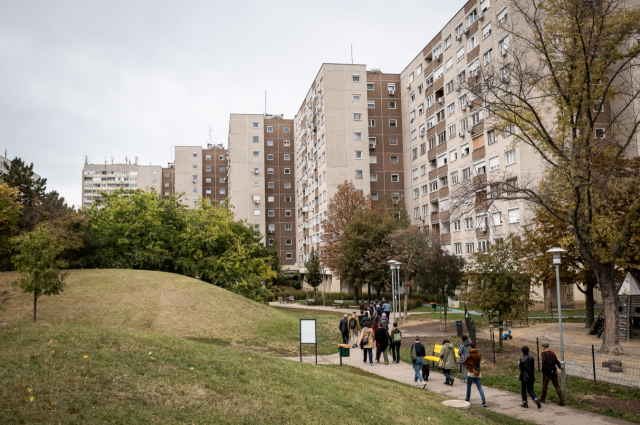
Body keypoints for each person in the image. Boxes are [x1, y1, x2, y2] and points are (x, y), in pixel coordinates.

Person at [463, 342, 487, 408]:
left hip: (471, 373)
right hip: (477, 373)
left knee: (468, 386)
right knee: (479, 387)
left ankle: (467, 399)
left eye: (469, 347)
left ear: (470, 347)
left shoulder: (469, 355)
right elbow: (478, 362)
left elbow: (465, 362)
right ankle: (484, 401)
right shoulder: (479, 354)